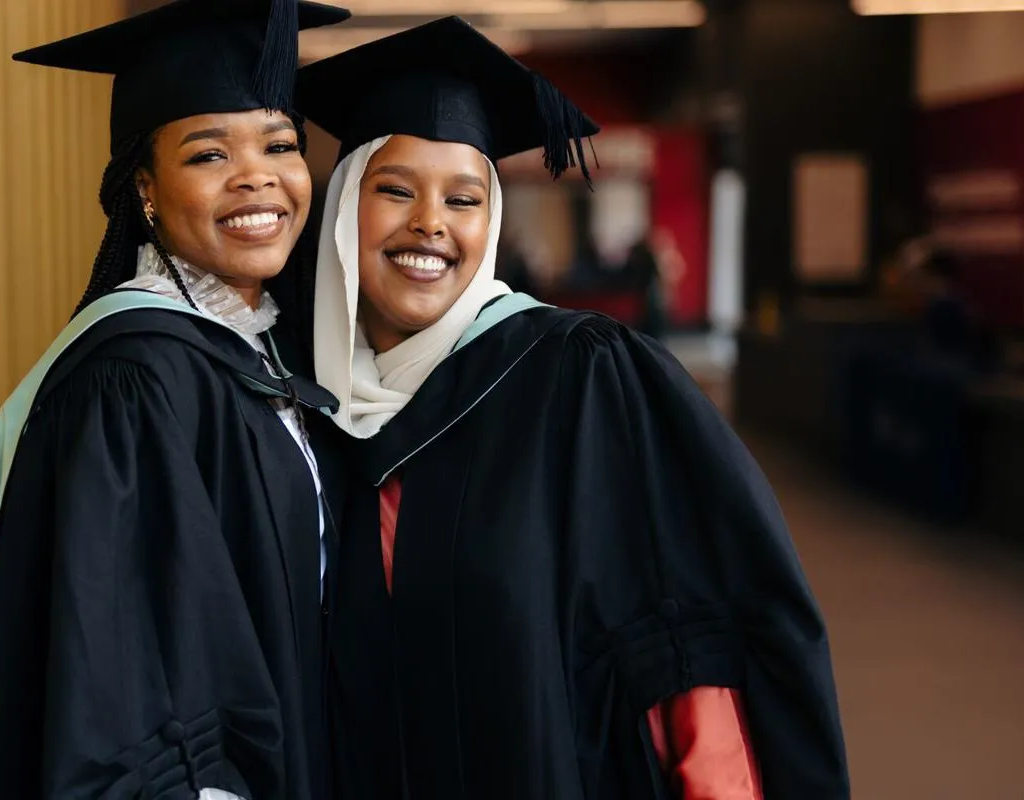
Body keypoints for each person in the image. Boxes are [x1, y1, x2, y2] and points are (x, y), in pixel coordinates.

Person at [294, 17, 848, 799]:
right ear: (346, 205)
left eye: (464, 197)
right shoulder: (303, 409)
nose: (431, 223)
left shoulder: (579, 378)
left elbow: (682, 643)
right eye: (394, 189)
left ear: (490, 228)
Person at [0, 1, 352, 798]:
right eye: (209, 154)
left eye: (281, 145)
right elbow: (121, 682)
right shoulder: (135, 379)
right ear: (144, 187)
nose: (258, 175)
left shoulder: (260, 347)